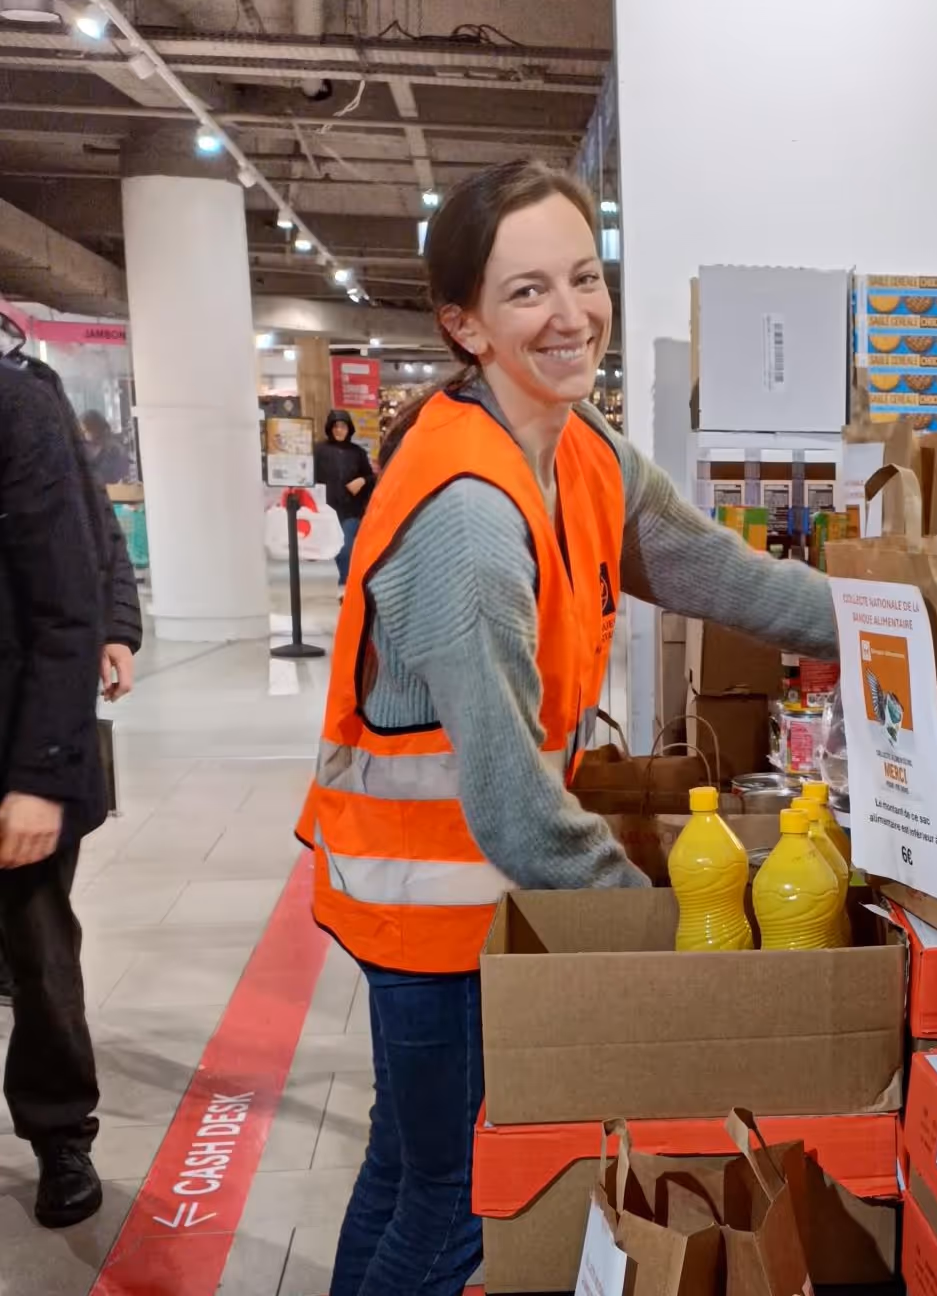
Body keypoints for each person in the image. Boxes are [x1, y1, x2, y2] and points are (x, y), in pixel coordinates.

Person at [296, 159, 839, 1296]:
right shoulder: (469, 519)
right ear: (465, 325)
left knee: (409, 1164)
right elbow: (512, 810)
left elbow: (703, 567)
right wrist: (671, 935)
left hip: (461, 890)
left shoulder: (578, 446)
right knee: (456, 1207)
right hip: (428, 910)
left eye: (584, 278)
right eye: (527, 291)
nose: (571, 313)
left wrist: (885, 625)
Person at [0, 344, 140, 1230]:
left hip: (17, 739)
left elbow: (73, 579)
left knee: (38, 951)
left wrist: (38, 778)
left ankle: (59, 1135)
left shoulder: (21, 406)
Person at [312, 408, 375, 586]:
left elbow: (372, 477)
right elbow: (310, 477)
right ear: (330, 428)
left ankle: (345, 586)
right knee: (333, 549)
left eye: (343, 426)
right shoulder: (319, 451)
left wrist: (362, 480)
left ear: (349, 429)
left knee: (346, 549)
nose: (339, 430)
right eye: (336, 426)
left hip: (351, 510)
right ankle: (345, 585)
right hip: (326, 510)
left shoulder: (358, 453)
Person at [76, 409, 130, 488]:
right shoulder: (83, 448)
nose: (82, 436)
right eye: (80, 432)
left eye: (85, 431)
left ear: (97, 429)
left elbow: (119, 477)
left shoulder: (115, 451)